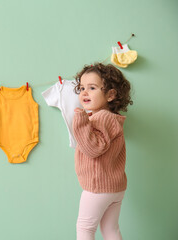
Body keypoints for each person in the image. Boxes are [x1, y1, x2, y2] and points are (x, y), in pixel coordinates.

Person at [72, 63, 133, 240]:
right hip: (115, 187)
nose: (84, 92)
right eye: (82, 88)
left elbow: (92, 149)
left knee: (85, 229)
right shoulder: (111, 118)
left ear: (111, 94)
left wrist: (81, 121)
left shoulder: (102, 117)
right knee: (110, 230)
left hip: (98, 187)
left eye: (92, 88)